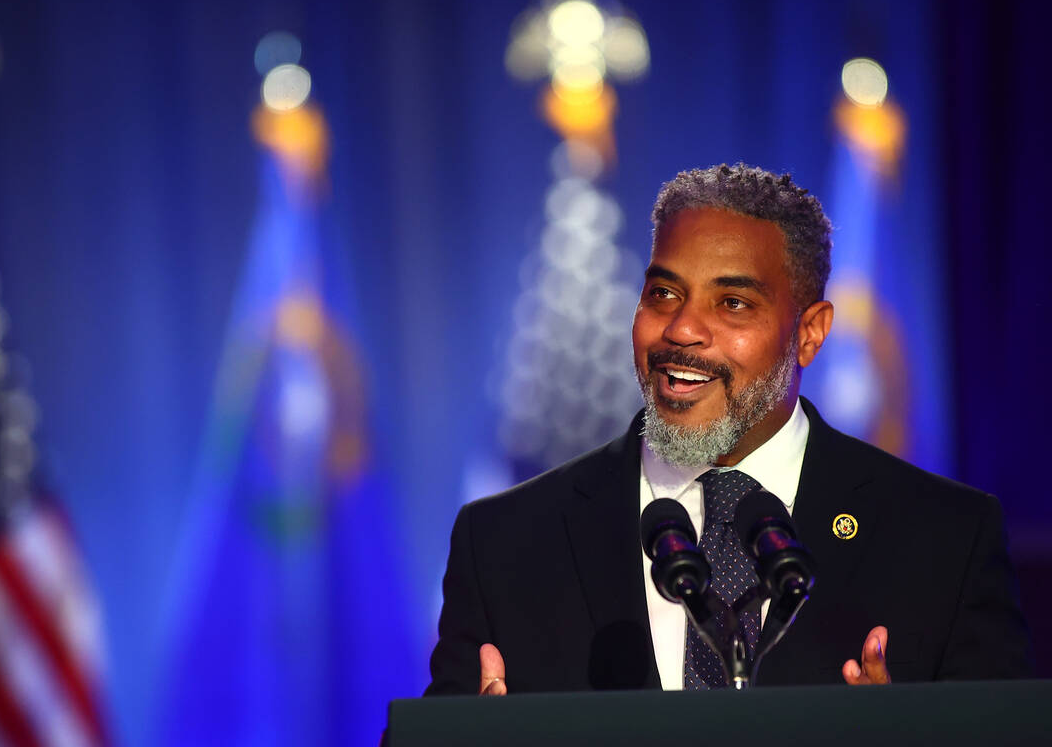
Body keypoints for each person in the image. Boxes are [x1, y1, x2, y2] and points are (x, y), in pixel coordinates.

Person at [425, 163, 1033, 695]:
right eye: (663, 293)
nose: (682, 330)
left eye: (732, 303)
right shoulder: (504, 544)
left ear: (811, 333)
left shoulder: (945, 540)